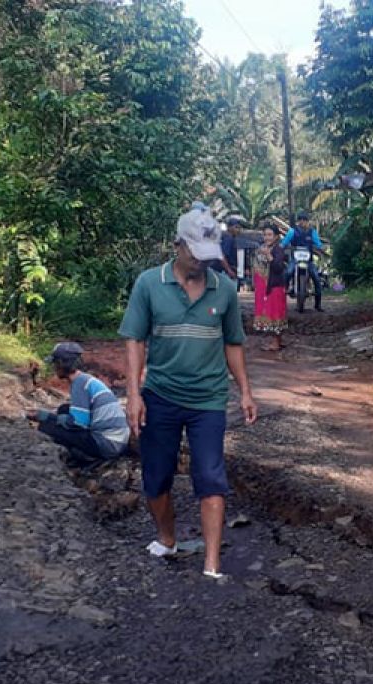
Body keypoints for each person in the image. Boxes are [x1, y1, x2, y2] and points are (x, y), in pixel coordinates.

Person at [118, 204, 257, 580]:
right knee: (156, 477)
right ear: (177, 245)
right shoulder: (149, 284)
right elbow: (134, 340)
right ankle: (167, 537)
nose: (201, 263)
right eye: (195, 254)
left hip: (208, 400)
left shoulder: (224, 289)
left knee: (211, 477)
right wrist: (134, 394)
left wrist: (244, 391)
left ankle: (212, 563)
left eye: (207, 256)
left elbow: (233, 343)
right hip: (160, 395)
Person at [27, 342, 130, 466]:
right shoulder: (85, 379)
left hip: (107, 444)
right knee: (64, 409)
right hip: (116, 441)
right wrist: (46, 416)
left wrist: (46, 417)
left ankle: (87, 457)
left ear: (61, 364)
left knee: (46, 428)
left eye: (55, 364)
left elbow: (77, 423)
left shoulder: (80, 384)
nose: (54, 368)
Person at [280, 211, 326, 312]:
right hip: (295, 259)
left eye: (304, 220)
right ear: (298, 221)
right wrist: (281, 247)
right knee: (288, 272)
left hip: (308, 260)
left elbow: (318, 243)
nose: (302, 222)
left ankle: (318, 304)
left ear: (308, 221)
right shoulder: (292, 231)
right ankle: (284, 292)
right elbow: (284, 242)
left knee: (317, 278)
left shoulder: (312, 232)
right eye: (300, 220)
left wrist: (322, 248)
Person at [253, 224, 288, 351]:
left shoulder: (278, 250)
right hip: (265, 288)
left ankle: (276, 342)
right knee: (272, 313)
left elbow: (278, 268)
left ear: (276, 237)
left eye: (270, 235)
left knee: (275, 314)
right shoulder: (262, 248)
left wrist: (269, 256)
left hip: (274, 287)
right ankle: (277, 340)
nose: (267, 237)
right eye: (265, 235)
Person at [220, 215, 245, 286]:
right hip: (225, 272)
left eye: (239, 228)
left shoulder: (229, 237)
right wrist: (229, 270)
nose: (238, 230)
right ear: (229, 227)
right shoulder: (229, 238)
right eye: (236, 227)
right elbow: (222, 256)